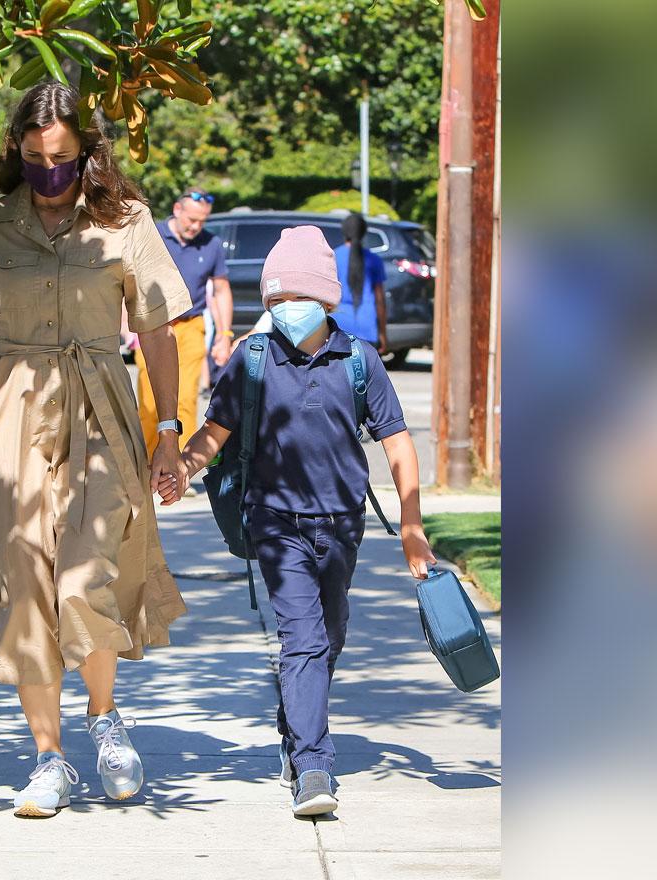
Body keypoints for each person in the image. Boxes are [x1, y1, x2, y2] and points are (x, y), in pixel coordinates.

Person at [0, 82, 191, 819]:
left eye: (61, 156)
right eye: (34, 157)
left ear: (86, 151)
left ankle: (103, 718)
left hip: (101, 405)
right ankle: (48, 757)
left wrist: (169, 434)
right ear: (17, 151)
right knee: (26, 584)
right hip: (10, 410)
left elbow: (158, 330)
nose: (48, 170)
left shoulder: (126, 221)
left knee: (85, 575)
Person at [175, 225, 436, 817]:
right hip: (275, 522)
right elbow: (215, 433)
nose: (287, 308)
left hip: (342, 523)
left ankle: (296, 724)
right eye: (277, 298)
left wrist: (412, 526)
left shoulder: (359, 360)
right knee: (303, 638)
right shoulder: (254, 358)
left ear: (326, 300)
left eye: (298, 297)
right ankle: (314, 768)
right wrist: (179, 470)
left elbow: (397, 444)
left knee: (331, 634)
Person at [132, 187, 231, 472]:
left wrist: (224, 336)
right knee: (149, 401)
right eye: (191, 219)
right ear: (177, 209)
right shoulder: (153, 235)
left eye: (202, 221)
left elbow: (221, 290)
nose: (195, 226)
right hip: (151, 326)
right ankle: (149, 464)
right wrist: (127, 325)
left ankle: (179, 466)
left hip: (190, 327)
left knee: (185, 399)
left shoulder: (210, 244)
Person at [330, 212, 389, 356]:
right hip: (367, 327)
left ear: (344, 232)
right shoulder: (374, 260)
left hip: (338, 327)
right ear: (364, 233)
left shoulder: (332, 257)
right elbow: (379, 300)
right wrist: (382, 333)